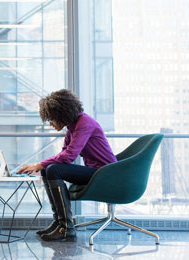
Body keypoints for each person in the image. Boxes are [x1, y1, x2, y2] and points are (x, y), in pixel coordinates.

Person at [17, 89, 117, 241]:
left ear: (61, 114)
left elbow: (69, 156)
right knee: (48, 170)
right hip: (96, 172)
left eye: (51, 119)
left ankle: (67, 227)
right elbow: (64, 153)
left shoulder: (85, 123)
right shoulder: (73, 127)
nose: (50, 123)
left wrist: (38, 164)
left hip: (106, 174)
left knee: (53, 169)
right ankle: (59, 223)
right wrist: (40, 167)